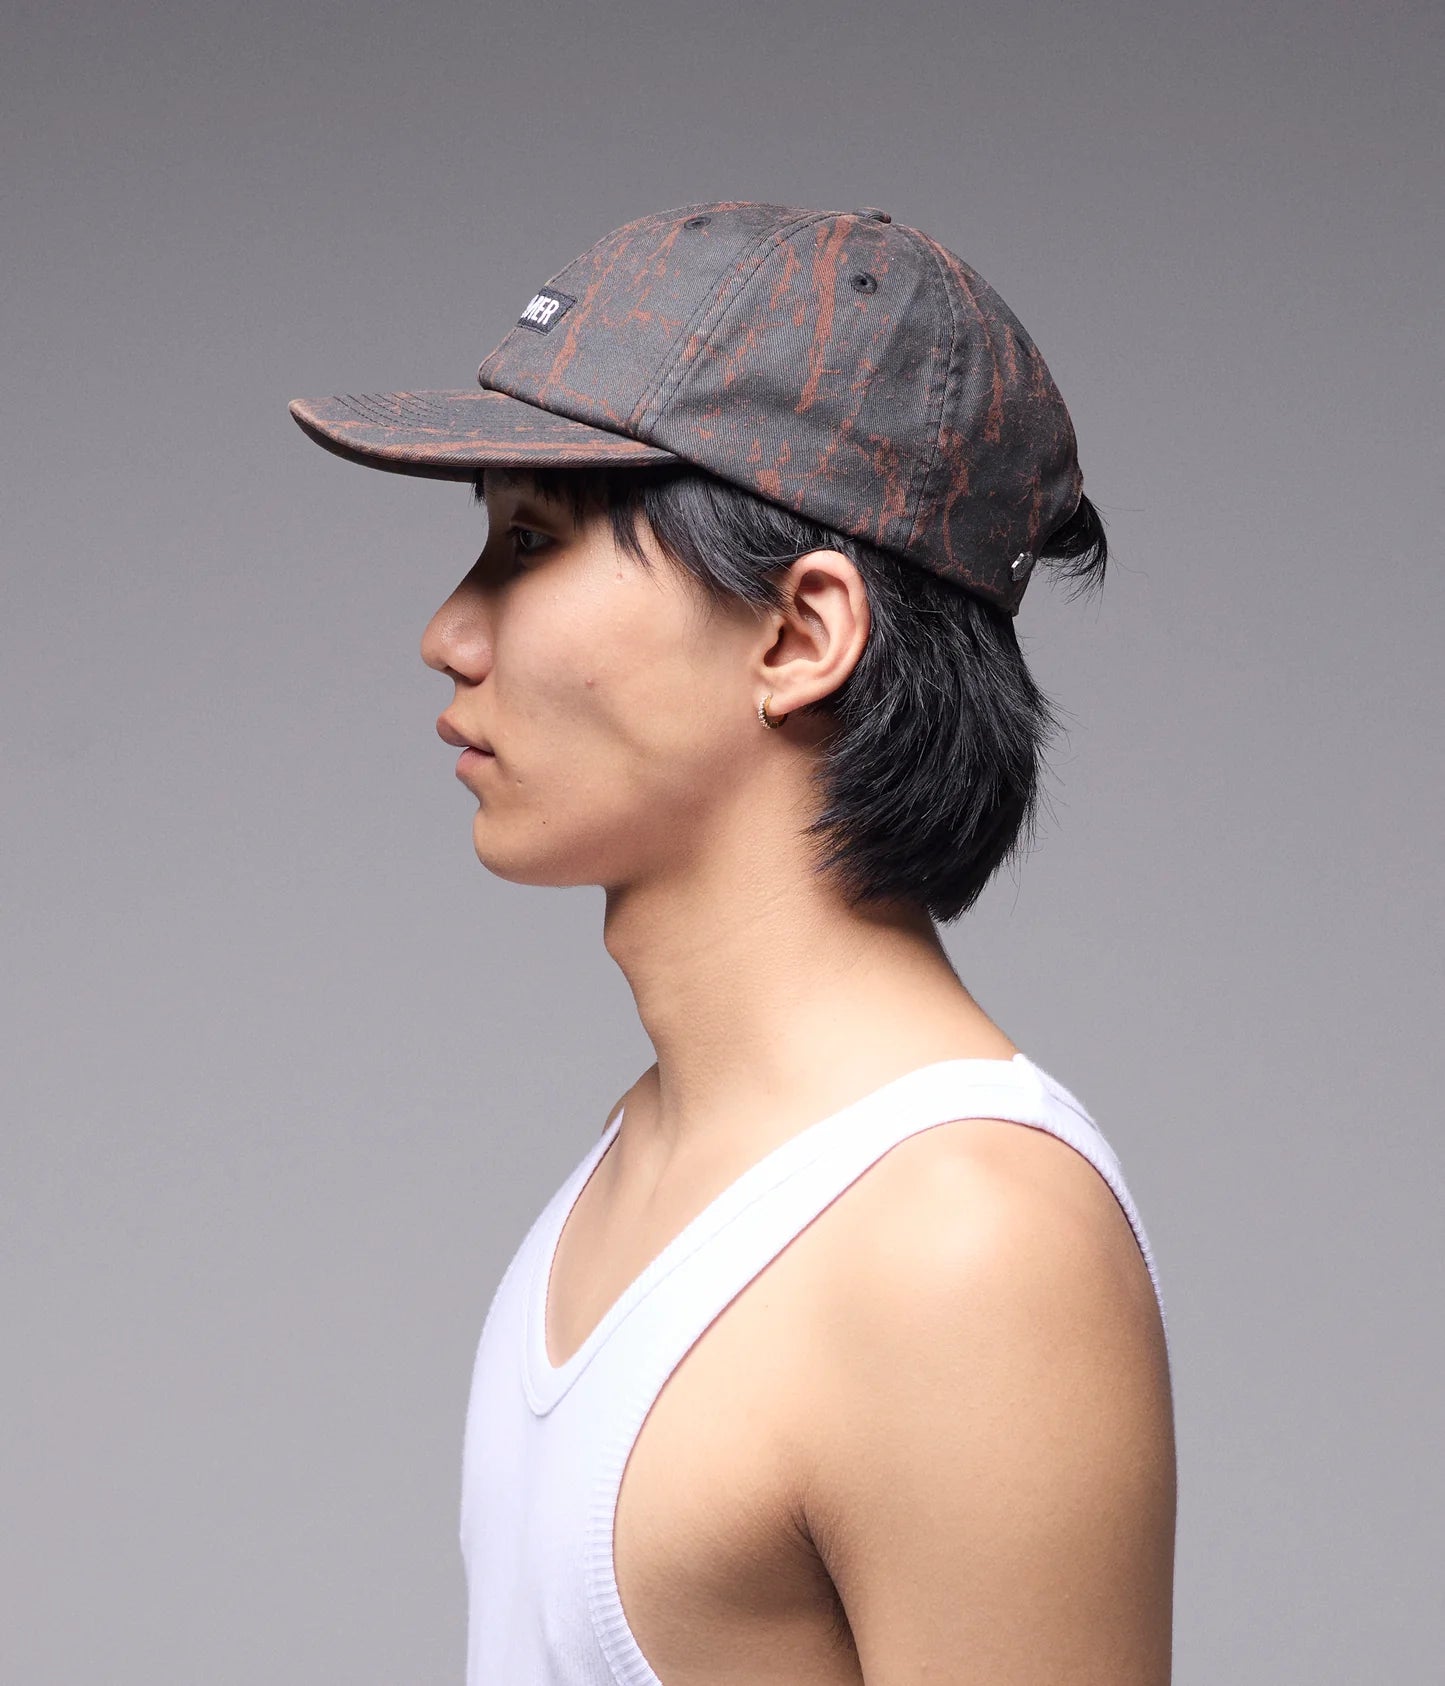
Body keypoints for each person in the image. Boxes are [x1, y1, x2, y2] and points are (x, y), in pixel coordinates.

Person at [290, 200, 1177, 1685]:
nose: (450, 631)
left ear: (799, 633)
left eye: (528, 541)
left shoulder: (962, 1241)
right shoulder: (638, 1162)